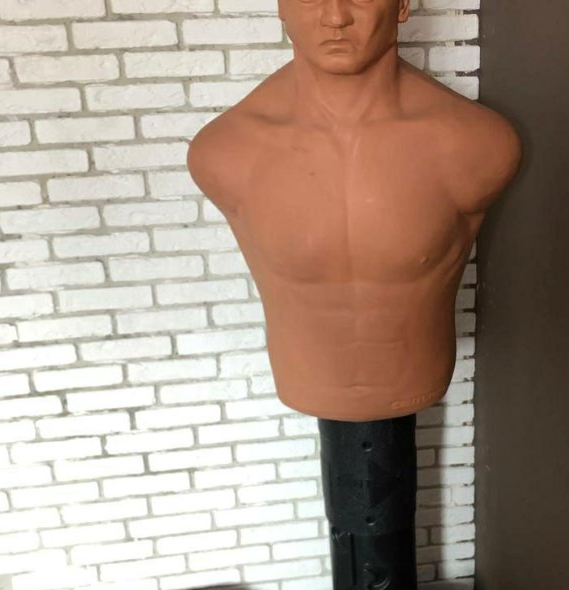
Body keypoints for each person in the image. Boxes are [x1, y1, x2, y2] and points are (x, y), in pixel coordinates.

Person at [187, 0, 522, 422]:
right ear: (280, 7)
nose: (335, 17)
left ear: (402, 5)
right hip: (303, 381)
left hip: (418, 380)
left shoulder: (478, 143)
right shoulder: (225, 149)